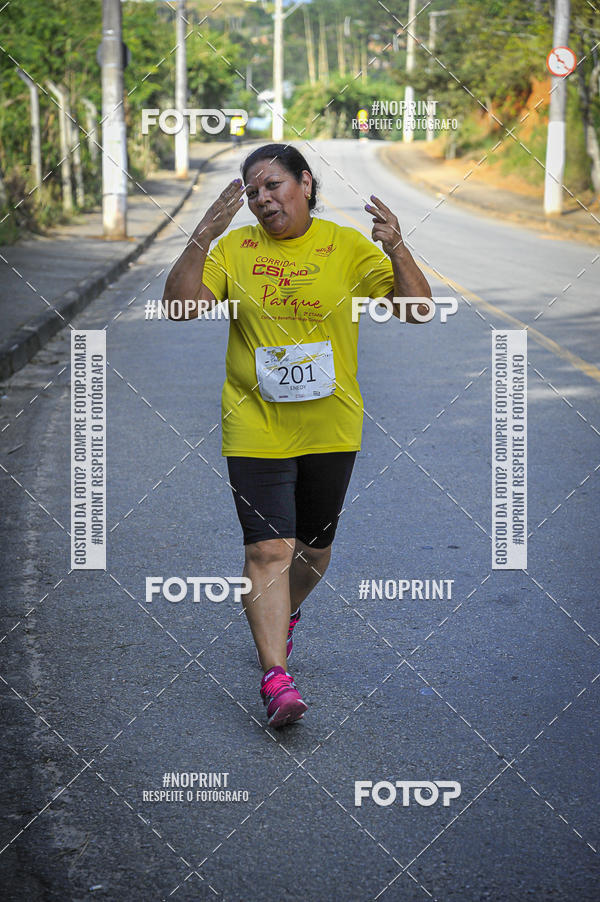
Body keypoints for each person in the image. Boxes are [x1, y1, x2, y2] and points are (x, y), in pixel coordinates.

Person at [162, 143, 432, 728]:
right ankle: (276, 677)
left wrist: (397, 245)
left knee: (312, 551)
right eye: (252, 192)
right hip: (255, 423)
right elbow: (182, 308)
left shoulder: (346, 247)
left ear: (304, 184)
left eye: (272, 186)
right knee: (267, 550)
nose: (262, 199)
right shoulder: (234, 249)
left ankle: (278, 613)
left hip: (330, 425)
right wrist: (202, 234)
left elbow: (417, 310)